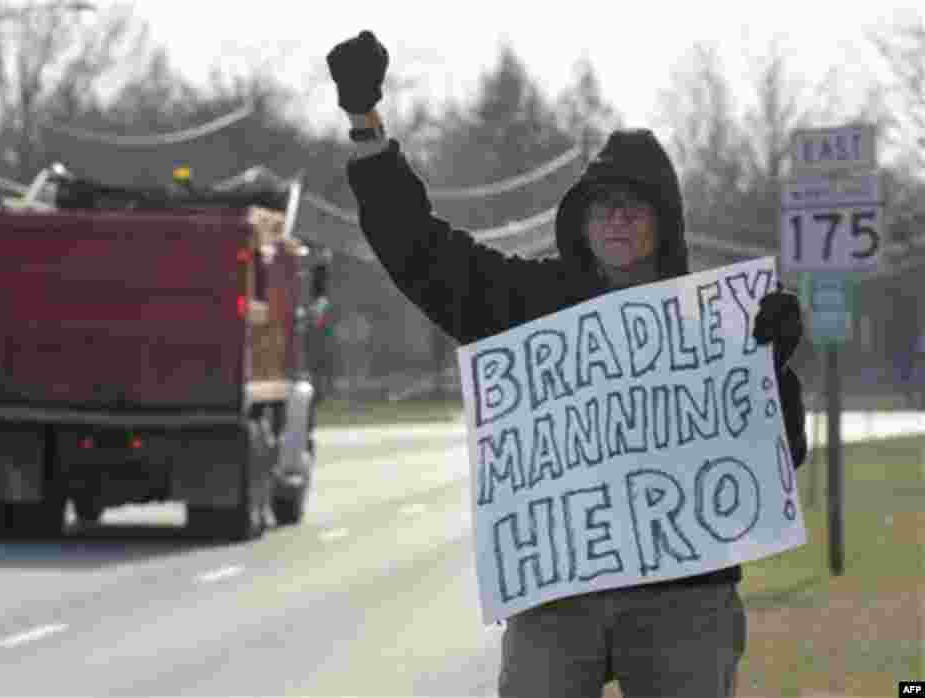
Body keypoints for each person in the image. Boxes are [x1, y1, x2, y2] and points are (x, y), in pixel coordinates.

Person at [327, 30, 808, 698]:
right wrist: (365, 124)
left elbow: (783, 456)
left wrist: (775, 369)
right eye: (600, 205)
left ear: (662, 221)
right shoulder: (532, 303)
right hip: (557, 594)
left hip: (684, 599)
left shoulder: (719, 321)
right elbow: (419, 249)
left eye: (632, 206)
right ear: (578, 222)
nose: (614, 219)